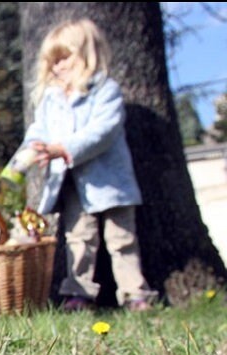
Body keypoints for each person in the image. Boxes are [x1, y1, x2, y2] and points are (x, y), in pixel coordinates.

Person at [16, 18, 157, 312]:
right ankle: (78, 292)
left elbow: (102, 131)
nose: (58, 67)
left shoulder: (105, 90)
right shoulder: (51, 99)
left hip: (109, 182)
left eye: (64, 58)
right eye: (52, 62)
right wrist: (31, 151)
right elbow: (38, 130)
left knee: (121, 239)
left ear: (86, 54)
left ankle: (134, 293)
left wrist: (63, 148)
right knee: (78, 238)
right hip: (72, 184)